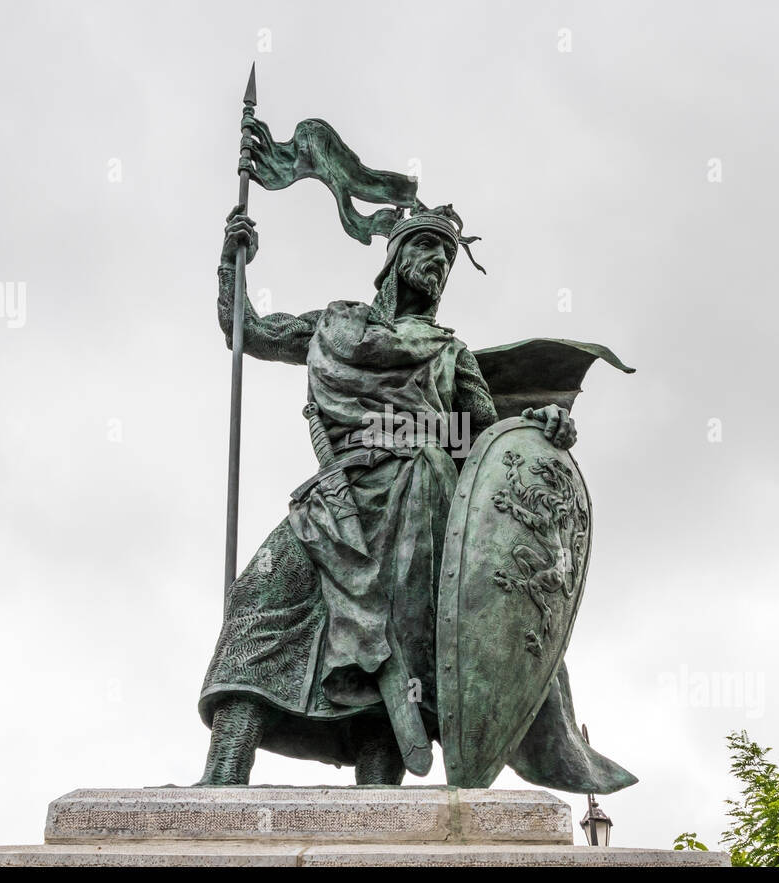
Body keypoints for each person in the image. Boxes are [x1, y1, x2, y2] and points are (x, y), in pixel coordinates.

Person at [198, 202, 578, 785]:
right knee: (260, 607)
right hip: (339, 489)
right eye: (429, 250)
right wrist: (233, 262)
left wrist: (541, 426)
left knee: (398, 661)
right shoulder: (338, 325)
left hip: (418, 496)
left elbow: (488, 437)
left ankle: (379, 802)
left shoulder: (451, 353)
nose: (439, 266)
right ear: (396, 258)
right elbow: (247, 330)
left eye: (448, 258)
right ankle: (220, 783)